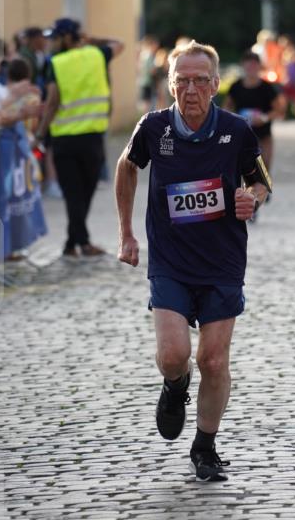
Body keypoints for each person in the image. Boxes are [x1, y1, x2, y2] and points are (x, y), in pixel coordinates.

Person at [115, 40, 272, 482]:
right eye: (181, 81)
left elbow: (261, 183)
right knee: (173, 354)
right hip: (171, 260)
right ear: (169, 84)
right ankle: (174, 384)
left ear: (216, 85)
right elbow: (127, 168)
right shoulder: (153, 128)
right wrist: (126, 232)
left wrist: (251, 198)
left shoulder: (237, 130)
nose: (190, 89)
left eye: (199, 81)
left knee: (215, 361)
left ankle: (204, 448)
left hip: (222, 261)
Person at [36, 17, 123, 258]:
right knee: (85, 192)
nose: (51, 42)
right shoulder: (97, 54)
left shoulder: (56, 62)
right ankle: (80, 243)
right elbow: (120, 44)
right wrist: (93, 40)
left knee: (74, 194)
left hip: (64, 139)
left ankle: (73, 243)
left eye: (55, 37)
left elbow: (52, 102)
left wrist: (40, 133)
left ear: (65, 37)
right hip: (92, 138)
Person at [223, 49, 285, 175]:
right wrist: (234, 119)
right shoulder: (236, 86)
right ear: (243, 65)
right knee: (244, 167)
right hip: (242, 134)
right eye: (248, 63)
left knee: (264, 166)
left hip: (263, 134)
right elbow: (226, 107)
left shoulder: (267, 87)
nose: (251, 67)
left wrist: (264, 118)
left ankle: (266, 193)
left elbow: (278, 110)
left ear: (259, 66)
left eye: (254, 64)